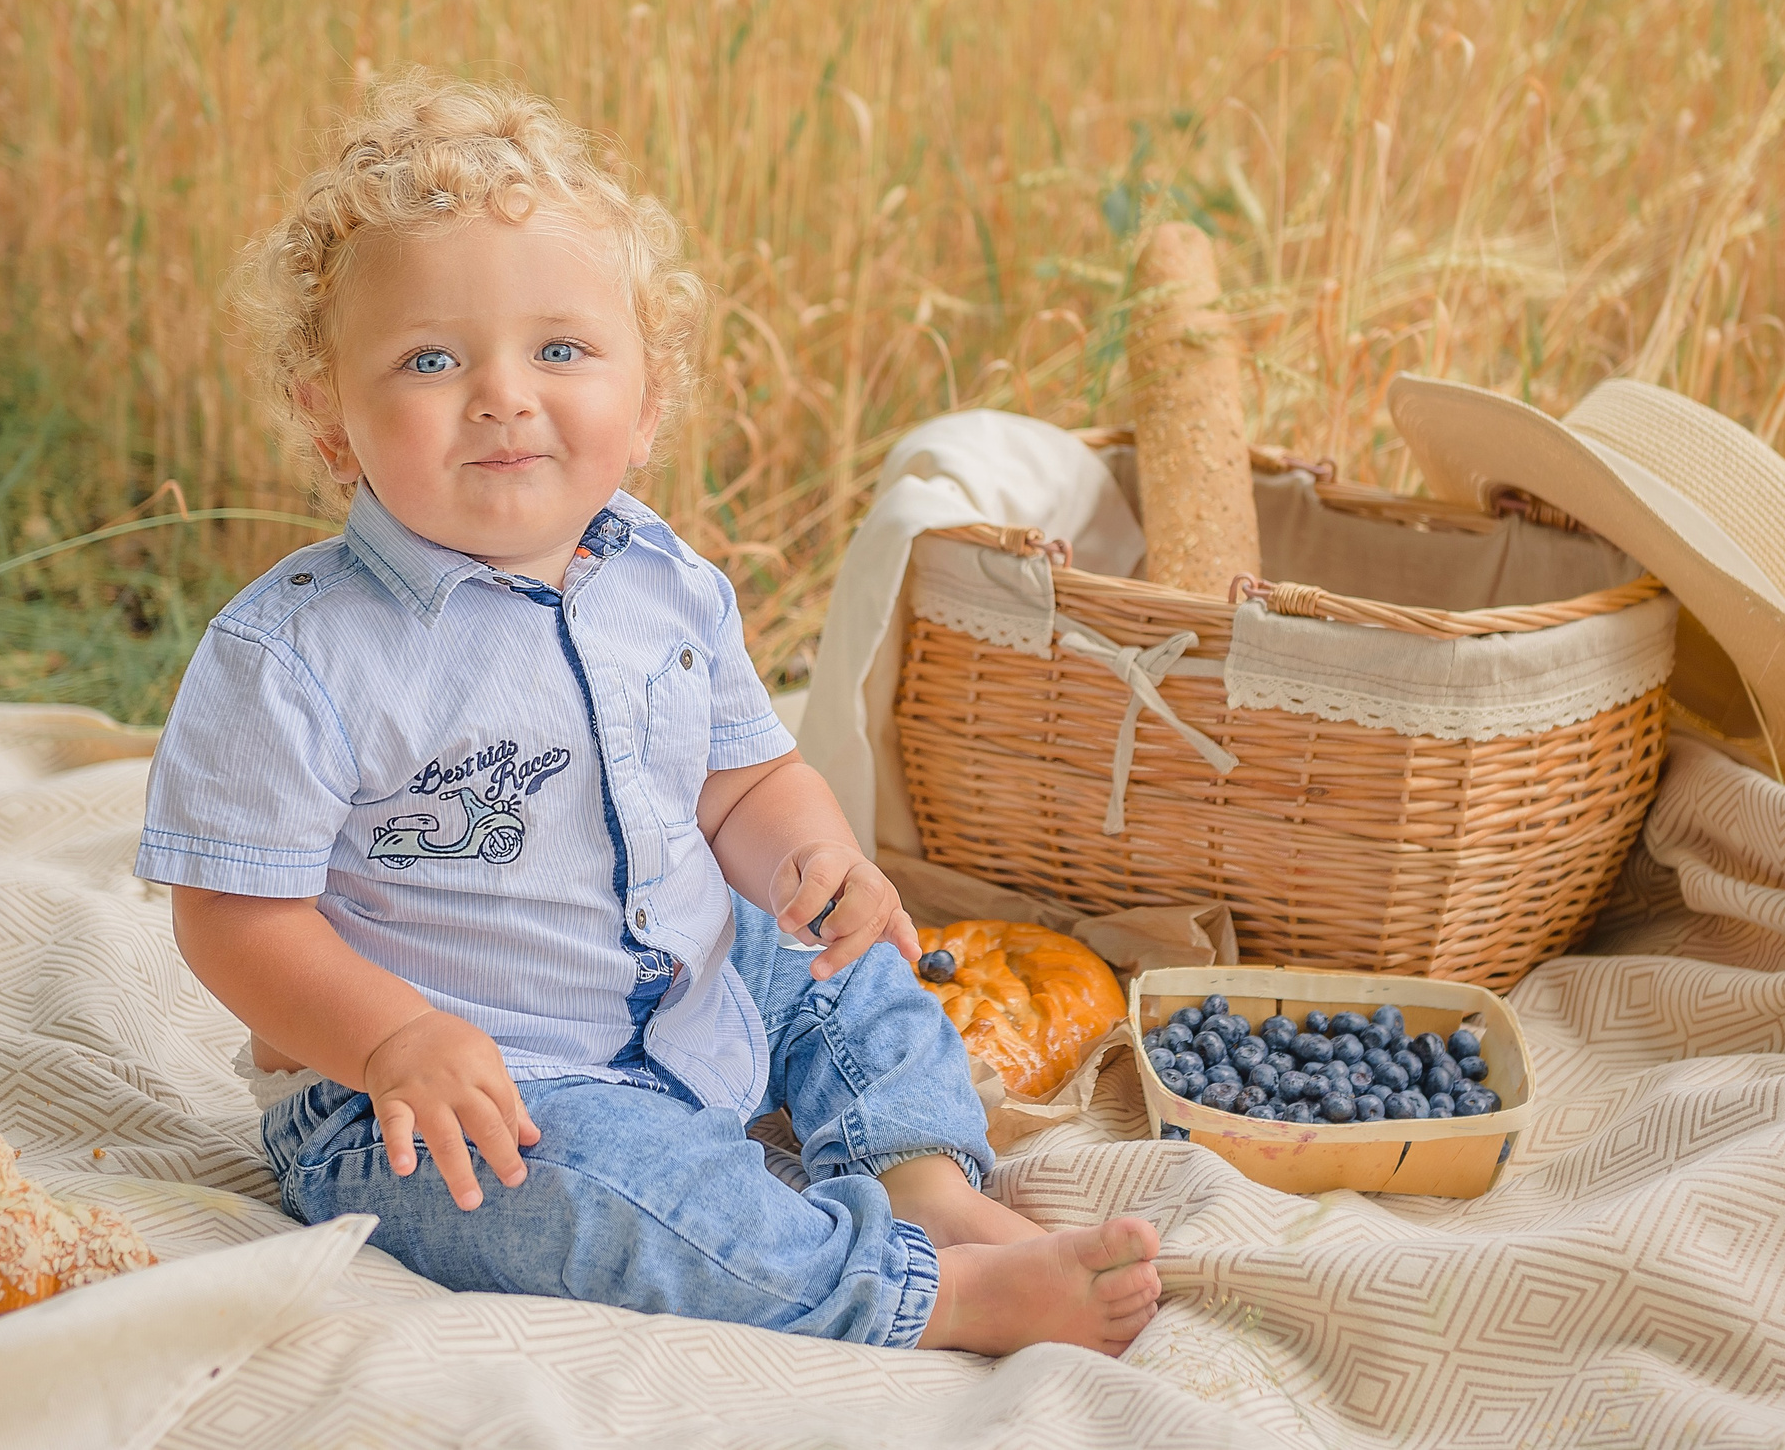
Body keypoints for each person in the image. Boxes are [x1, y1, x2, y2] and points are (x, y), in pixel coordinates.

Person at [136, 75, 1161, 1354]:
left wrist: (812, 854)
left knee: (847, 959)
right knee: (598, 1197)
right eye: (430, 359)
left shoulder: (665, 581)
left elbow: (743, 781)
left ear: (649, 394)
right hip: (445, 1096)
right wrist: (394, 1037)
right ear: (326, 412)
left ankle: (922, 1178)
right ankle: (923, 1293)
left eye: (559, 351)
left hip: (690, 987)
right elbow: (234, 918)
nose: (502, 394)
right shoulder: (294, 654)